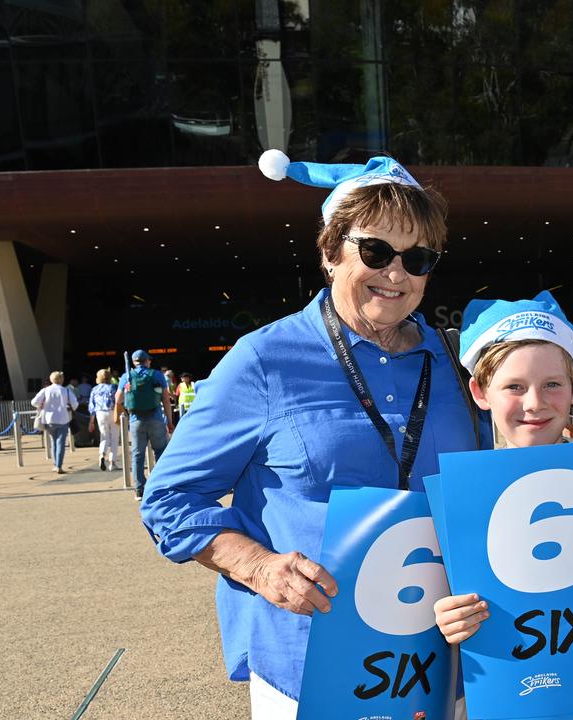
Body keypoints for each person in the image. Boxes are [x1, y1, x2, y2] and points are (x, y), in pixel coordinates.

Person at [140, 150, 491, 717]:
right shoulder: (264, 359)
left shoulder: (454, 363)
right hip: (307, 662)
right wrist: (259, 567)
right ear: (330, 253)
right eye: (375, 250)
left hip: (438, 659)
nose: (396, 273)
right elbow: (170, 500)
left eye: (418, 257)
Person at [434, 292, 573, 720]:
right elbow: (443, 606)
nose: (535, 403)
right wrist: (447, 622)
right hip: (507, 700)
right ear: (480, 392)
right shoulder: (460, 502)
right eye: (514, 387)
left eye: (552, 384)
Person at [116, 350, 174, 500]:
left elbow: (118, 399)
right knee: (160, 452)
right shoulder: (157, 375)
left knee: (137, 455)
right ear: (147, 361)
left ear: (134, 362)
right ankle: (161, 485)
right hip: (156, 419)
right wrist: (169, 420)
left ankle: (139, 489)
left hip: (136, 420)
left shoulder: (126, 377)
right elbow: (166, 399)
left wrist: (123, 414)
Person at [31, 371, 78, 474]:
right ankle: (59, 465)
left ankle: (55, 464)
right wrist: (69, 406)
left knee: (53, 441)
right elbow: (75, 404)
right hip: (63, 419)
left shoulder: (45, 390)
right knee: (60, 442)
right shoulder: (66, 390)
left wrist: (41, 405)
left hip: (48, 419)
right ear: (62, 379)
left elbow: (34, 402)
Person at [88, 368, 120, 471]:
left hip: (99, 413)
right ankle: (112, 462)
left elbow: (91, 407)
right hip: (112, 411)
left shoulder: (95, 389)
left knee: (104, 436)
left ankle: (102, 454)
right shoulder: (114, 387)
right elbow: (119, 400)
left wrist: (91, 421)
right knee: (114, 436)